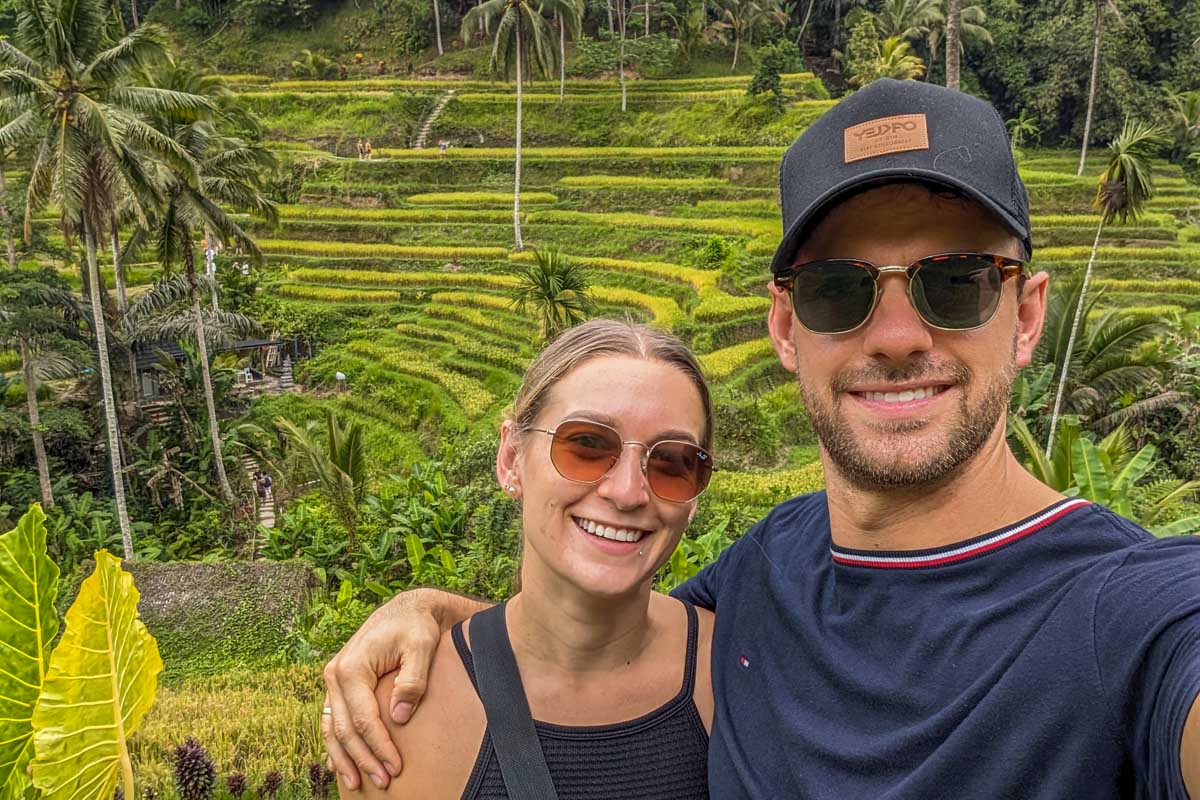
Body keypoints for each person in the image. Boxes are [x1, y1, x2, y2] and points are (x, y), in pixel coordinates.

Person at [323, 79, 1200, 797]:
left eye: (956, 281)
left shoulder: (1129, 613)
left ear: (1027, 314)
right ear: (785, 328)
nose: (896, 336)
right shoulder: (769, 569)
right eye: (837, 289)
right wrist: (435, 615)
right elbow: (597, 641)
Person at [327, 319, 716, 798]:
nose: (628, 492)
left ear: (695, 494)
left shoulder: (742, 671)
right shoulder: (403, 719)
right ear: (511, 457)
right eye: (587, 446)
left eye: (672, 461)